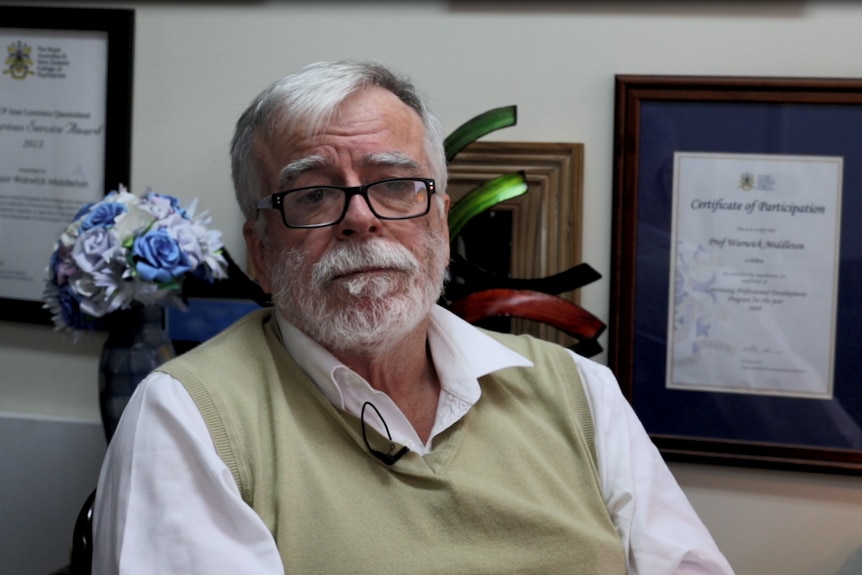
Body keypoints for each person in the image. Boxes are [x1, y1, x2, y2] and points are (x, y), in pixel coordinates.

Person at [92, 59, 735, 574]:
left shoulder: (579, 393)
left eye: (395, 183)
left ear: (442, 223)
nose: (361, 217)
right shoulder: (189, 417)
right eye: (313, 193)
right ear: (259, 251)